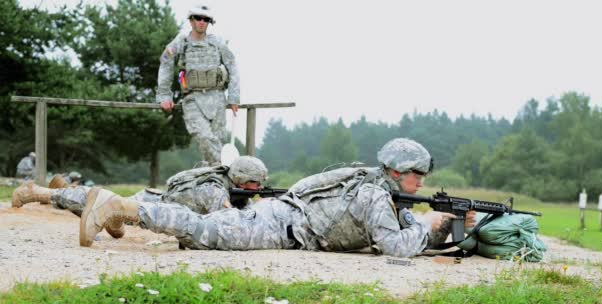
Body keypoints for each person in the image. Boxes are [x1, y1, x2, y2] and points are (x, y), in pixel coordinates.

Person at [79, 138, 476, 257]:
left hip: (281, 218)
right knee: (203, 232)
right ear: (398, 172)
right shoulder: (374, 194)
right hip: (278, 225)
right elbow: (394, 246)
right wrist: (431, 226)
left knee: (203, 231)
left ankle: (126, 211)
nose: (422, 182)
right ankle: (119, 207)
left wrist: (441, 229)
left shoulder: (374, 185)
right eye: (417, 175)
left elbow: (403, 231)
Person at [12, 156, 267, 243]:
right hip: (150, 203)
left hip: (156, 201)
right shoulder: (215, 189)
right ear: (241, 178)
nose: (259, 188)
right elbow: (227, 223)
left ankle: (62, 191)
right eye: (255, 184)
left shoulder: (227, 184)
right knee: (96, 201)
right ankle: (38, 192)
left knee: (101, 211)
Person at [157, 5, 239, 167]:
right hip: (192, 98)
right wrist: (164, 96)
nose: (202, 22)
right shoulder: (181, 41)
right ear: (191, 20)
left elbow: (232, 66)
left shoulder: (217, 42)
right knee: (203, 136)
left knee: (216, 140)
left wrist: (234, 96)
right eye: (198, 18)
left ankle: (215, 181)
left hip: (216, 98)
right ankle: (227, 168)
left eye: (206, 19)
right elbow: (166, 63)